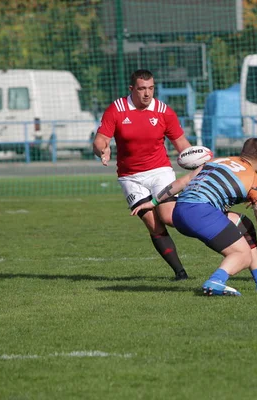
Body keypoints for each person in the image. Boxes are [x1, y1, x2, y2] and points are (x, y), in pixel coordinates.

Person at [131, 138, 257, 296]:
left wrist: (153, 202)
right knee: (242, 255)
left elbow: (184, 181)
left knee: (244, 225)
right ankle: (216, 282)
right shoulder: (256, 183)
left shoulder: (218, 160)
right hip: (201, 213)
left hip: (180, 210)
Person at [92, 69, 192, 281]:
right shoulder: (117, 109)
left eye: (151, 88)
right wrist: (103, 149)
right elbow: (100, 139)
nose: (147, 93)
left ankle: (215, 232)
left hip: (159, 171)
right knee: (153, 224)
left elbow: (182, 144)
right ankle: (180, 273)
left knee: (167, 216)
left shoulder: (164, 111)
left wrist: (198, 161)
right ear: (131, 89)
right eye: (142, 89)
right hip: (130, 177)